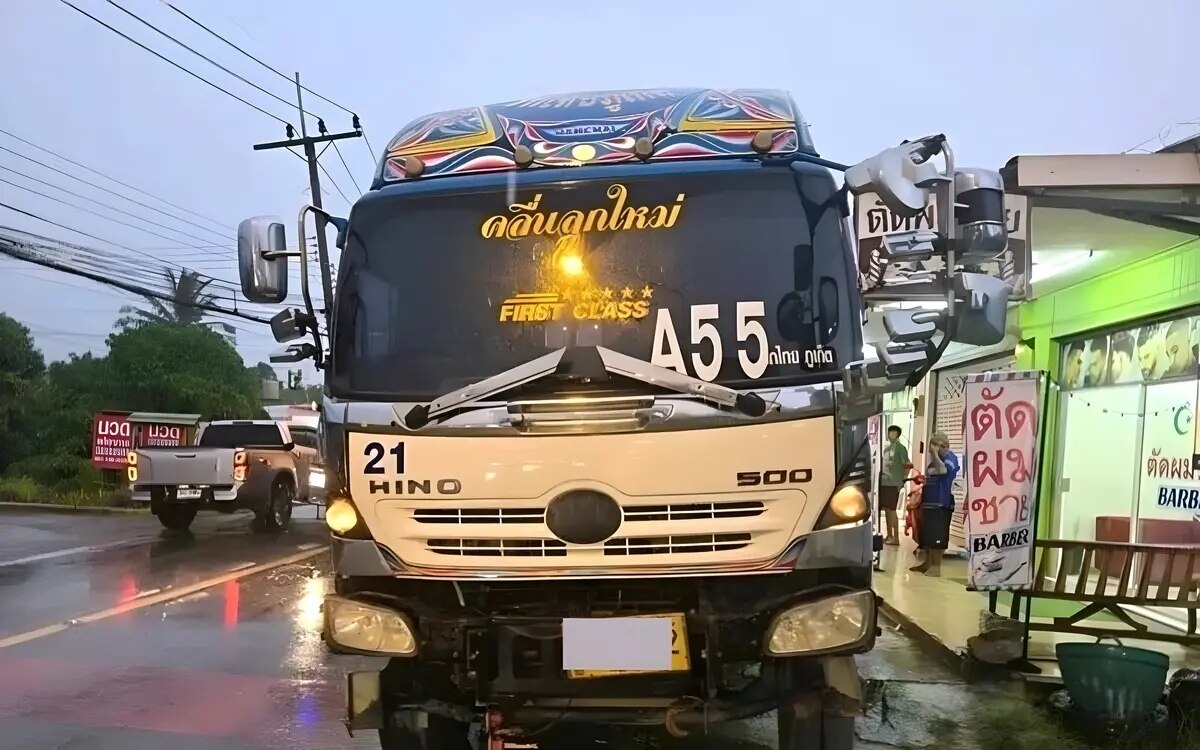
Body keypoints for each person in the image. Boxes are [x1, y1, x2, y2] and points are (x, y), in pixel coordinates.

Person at [911, 431, 959, 576]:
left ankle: (935, 567)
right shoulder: (935, 459)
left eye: (936, 444)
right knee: (929, 535)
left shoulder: (950, 457)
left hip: (941, 503)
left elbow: (943, 470)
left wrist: (934, 453)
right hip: (930, 503)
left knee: (938, 535)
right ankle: (927, 563)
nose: (933, 447)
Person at [878, 425, 909, 546]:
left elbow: (907, 464)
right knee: (886, 510)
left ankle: (896, 537)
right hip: (884, 482)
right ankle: (889, 535)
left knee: (892, 510)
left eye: (894, 433)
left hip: (893, 483)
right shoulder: (886, 448)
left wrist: (903, 480)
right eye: (890, 433)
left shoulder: (900, 448)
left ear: (898, 435)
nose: (891, 435)